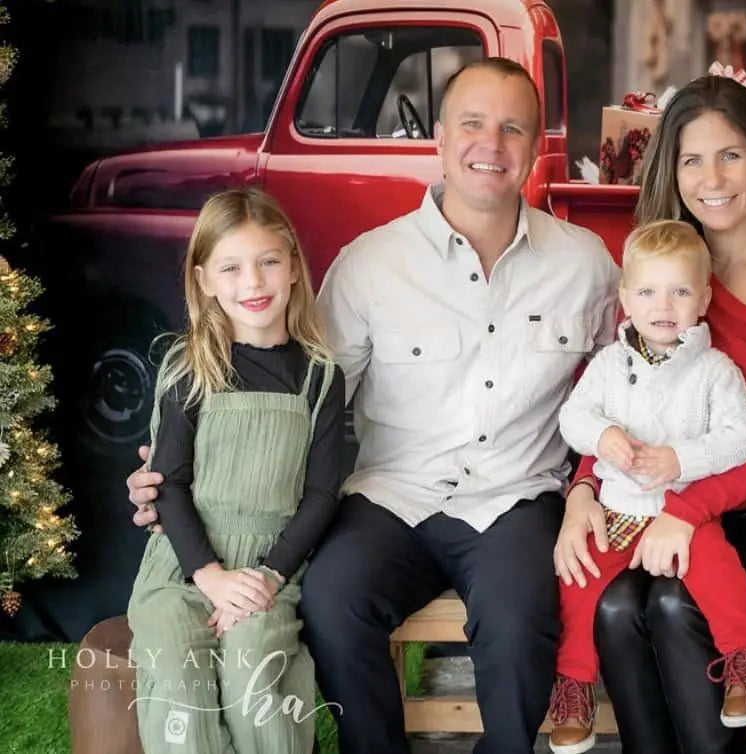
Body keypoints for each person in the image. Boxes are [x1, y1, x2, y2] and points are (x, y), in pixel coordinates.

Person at [128, 58, 619, 754]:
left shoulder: (588, 265)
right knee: (334, 601)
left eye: (513, 128)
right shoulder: (368, 264)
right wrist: (182, 474)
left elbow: (624, 388)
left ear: (535, 147)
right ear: (440, 140)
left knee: (520, 618)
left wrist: (590, 487)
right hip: (390, 497)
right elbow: (302, 399)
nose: (492, 144)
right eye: (473, 123)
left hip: (515, 498)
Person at [554, 73, 746, 753]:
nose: (712, 176)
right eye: (691, 159)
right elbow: (620, 400)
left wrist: (688, 512)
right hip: (654, 496)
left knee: (674, 600)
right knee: (618, 601)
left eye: (731, 155)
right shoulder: (665, 267)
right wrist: (582, 490)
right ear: (672, 171)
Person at [126, 188, 345, 754]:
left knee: (254, 667)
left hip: (271, 568)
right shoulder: (189, 366)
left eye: (268, 261)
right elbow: (168, 485)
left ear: (293, 267)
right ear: (203, 280)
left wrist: (268, 577)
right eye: (231, 267)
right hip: (184, 566)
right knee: (177, 666)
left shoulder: (320, 376)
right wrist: (211, 577)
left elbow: (322, 493)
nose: (253, 282)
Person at [549, 219, 746, 753]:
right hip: (619, 510)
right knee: (579, 585)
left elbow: (743, 438)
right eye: (647, 291)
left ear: (704, 299)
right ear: (625, 298)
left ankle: (743, 662)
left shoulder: (716, 371)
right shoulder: (608, 365)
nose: (662, 305)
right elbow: (572, 417)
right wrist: (603, 436)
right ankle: (573, 688)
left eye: (680, 291)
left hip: (683, 516)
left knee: (720, 571)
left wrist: (682, 457)